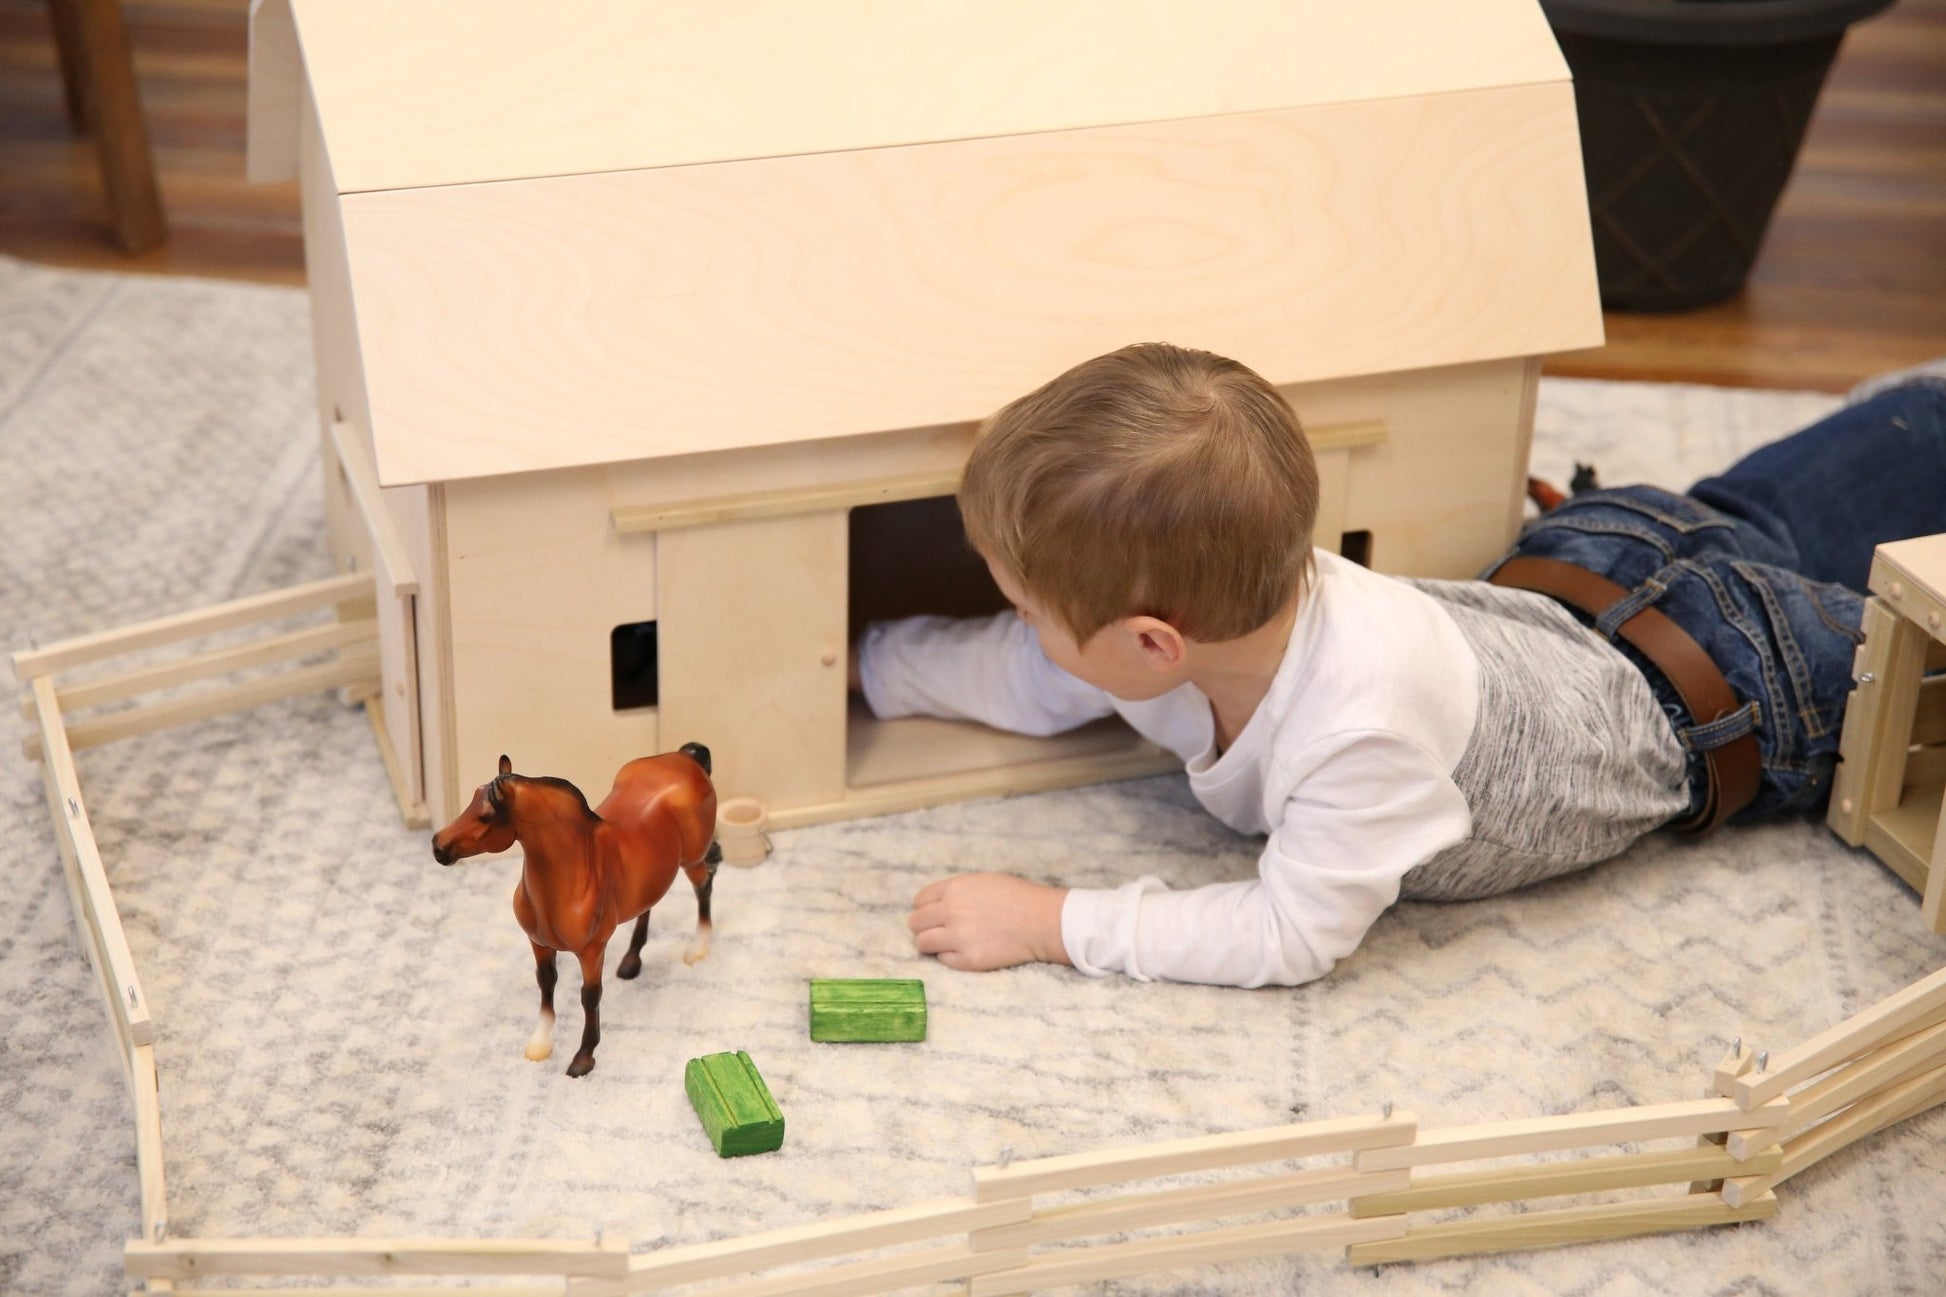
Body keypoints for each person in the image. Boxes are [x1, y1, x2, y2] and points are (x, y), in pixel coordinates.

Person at [850, 343, 1946, 988]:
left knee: (1895, 634)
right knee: (1742, 518)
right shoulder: (1201, 623)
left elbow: (1289, 934)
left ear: (1152, 642)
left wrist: (1052, 923)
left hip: (1732, 699)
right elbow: (1034, 674)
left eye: (1027, 609)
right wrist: (864, 670)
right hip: (1583, 565)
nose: (1022, 630)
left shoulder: (1355, 732)